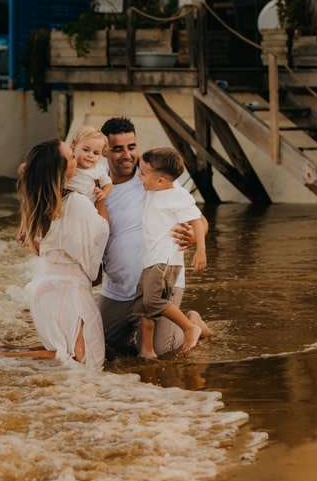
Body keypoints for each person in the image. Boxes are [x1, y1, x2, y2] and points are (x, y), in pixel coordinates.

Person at [99, 117, 212, 357]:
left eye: (131, 147)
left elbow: (199, 219)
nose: (127, 155)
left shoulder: (154, 176)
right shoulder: (97, 183)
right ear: (104, 151)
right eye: (118, 149)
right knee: (100, 347)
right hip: (118, 288)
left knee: (163, 352)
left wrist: (193, 237)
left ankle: (193, 322)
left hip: (161, 282)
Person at [16, 138, 110, 369]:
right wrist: (100, 201)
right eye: (71, 156)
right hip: (69, 290)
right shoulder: (77, 202)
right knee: (87, 362)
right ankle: (7, 358)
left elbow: (41, 250)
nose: (77, 158)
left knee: (67, 355)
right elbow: (102, 232)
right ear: (61, 169)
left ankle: (7, 354)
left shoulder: (38, 204)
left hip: (44, 287)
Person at [134, 147, 207, 359]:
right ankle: (147, 350)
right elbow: (147, 162)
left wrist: (200, 249)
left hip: (166, 260)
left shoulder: (178, 196)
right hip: (150, 259)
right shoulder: (153, 188)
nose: (140, 176)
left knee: (152, 301)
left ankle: (189, 326)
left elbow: (197, 221)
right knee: (141, 304)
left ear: (161, 181)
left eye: (143, 174)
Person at [67, 125, 113, 202]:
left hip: (88, 203)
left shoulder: (97, 169)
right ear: (73, 147)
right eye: (86, 150)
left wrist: (104, 192)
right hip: (67, 200)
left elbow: (107, 183)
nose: (91, 155)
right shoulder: (67, 164)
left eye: (96, 153)